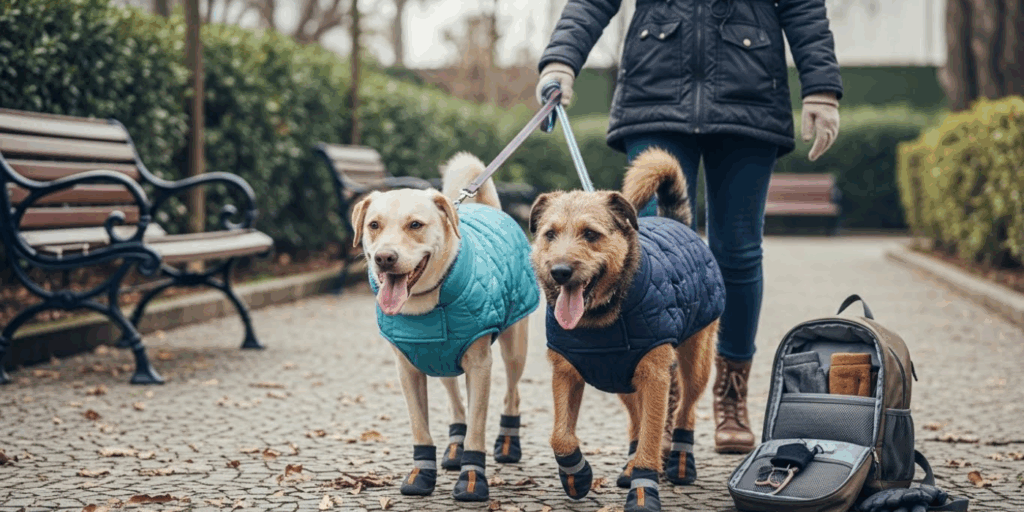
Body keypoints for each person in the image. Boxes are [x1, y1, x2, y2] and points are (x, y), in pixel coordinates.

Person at [536, 0, 842, 454]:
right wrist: (561, 58)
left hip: (749, 89)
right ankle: (663, 382)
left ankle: (730, 393)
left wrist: (820, 87)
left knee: (737, 253)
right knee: (659, 249)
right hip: (656, 85)